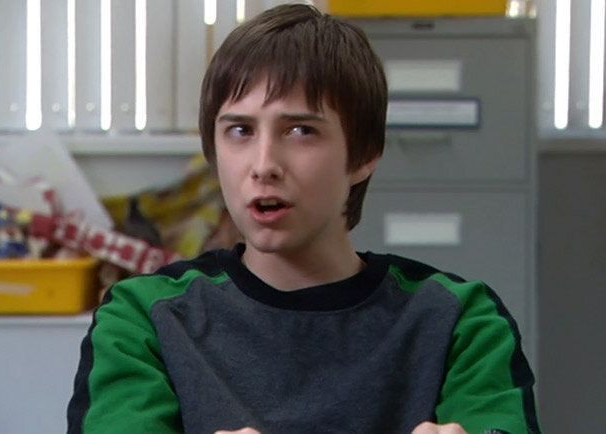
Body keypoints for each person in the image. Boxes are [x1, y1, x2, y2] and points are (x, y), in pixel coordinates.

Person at [66, 4, 541, 434]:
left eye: (299, 130)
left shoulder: (460, 321)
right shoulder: (143, 319)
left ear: (364, 154)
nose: (264, 164)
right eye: (240, 130)